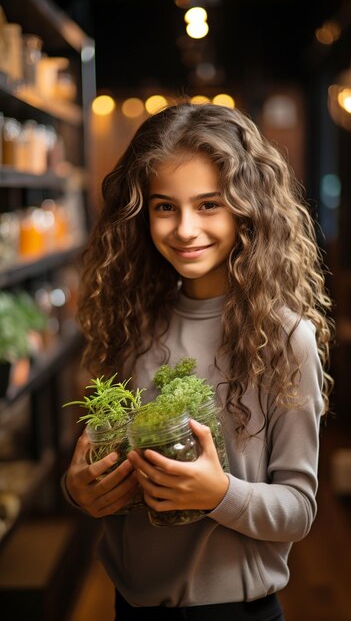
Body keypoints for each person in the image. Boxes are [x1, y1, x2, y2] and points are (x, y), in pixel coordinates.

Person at [63, 101, 334, 620]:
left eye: (209, 204)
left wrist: (219, 493)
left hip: (236, 611)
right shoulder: (128, 323)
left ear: (247, 207)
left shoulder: (283, 338)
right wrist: (81, 491)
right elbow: (102, 465)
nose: (185, 229)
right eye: (165, 206)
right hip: (132, 605)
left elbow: (298, 511)